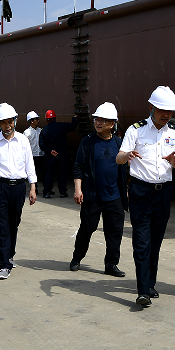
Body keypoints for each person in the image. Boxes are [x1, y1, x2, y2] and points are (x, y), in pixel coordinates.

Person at [117, 87, 175, 308]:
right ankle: (143, 290)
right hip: (140, 191)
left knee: (156, 241)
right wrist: (127, 155)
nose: (166, 115)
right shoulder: (136, 130)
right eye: (162, 110)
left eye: (170, 112)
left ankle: (150, 283)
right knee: (142, 242)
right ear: (151, 108)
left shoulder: (174, 133)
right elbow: (118, 158)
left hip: (163, 192)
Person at [0, 103, 37, 280]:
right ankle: (4, 264)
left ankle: (9, 255)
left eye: (10, 121)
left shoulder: (23, 140)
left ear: (15, 121)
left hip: (19, 187)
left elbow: (29, 165)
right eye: (3, 122)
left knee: (13, 222)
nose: (7, 125)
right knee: (0, 225)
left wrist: (33, 187)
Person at [71, 102, 128, 277]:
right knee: (86, 229)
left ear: (112, 123)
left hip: (114, 197)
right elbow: (78, 167)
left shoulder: (119, 143)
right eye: (97, 119)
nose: (98, 122)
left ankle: (111, 265)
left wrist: (125, 190)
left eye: (103, 120)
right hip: (92, 197)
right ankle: (77, 258)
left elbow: (125, 170)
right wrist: (78, 189)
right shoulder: (88, 142)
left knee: (114, 233)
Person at [39, 109, 78, 198]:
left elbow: (41, 144)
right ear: (55, 118)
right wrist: (74, 118)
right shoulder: (62, 126)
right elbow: (73, 126)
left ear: (47, 120)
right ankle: (62, 192)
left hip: (50, 155)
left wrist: (50, 150)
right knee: (62, 173)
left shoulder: (45, 130)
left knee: (49, 173)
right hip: (62, 155)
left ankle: (47, 192)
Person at [22, 111, 44, 193]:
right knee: (33, 173)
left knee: (42, 172)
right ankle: (35, 189)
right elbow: (23, 146)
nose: (38, 121)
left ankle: (46, 189)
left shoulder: (40, 130)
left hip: (41, 155)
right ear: (31, 121)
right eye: (36, 119)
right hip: (32, 156)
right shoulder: (26, 132)